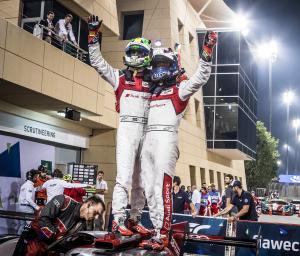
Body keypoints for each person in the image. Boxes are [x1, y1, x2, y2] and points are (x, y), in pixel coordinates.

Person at [139, 31, 217, 250]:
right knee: (149, 189)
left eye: (163, 64)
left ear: (172, 66)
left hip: (166, 139)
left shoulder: (179, 90)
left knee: (163, 187)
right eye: (156, 65)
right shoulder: (151, 93)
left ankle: (164, 233)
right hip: (148, 139)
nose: (158, 69)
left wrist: (207, 50)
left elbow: (200, 77)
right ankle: (155, 230)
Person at [88, 15, 152, 236]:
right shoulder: (119, 78)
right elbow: (97, 62)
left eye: (139, 53)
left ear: (147, 57)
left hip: (147, 132)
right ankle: (117, 221)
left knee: (141, 182)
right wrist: (93, 35)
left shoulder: (154, 81)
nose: (135, 56)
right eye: (132, 52)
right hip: (126, 130)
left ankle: (134, 219)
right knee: (123, 179)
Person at [13, 195, 105, 256]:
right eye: (96, 212)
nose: (96, 217)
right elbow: (43, 218)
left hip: (50, 248)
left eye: (98, 215)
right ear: (88, 204)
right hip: (33, 239)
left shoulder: (83, 225)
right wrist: (56, 236)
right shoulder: (64, 201)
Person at [18, 170, 40, 234]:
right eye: (37, 177)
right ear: (34, 177)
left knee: (22, 226)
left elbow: (27, 194)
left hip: (21, 208)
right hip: (27, 209)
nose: (37, 178)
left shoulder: (24, 185)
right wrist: (38, 208)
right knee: (32, 226)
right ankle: (30, 242)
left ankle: (18, 240)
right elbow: (28, 199)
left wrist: (36, 189)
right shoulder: (30, 186)